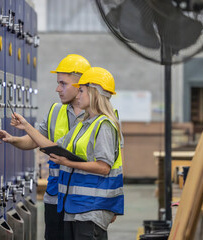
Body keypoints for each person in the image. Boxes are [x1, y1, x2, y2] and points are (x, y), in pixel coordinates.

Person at [9, 67, 124, 240]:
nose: (78, 96)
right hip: (75, 207)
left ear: (93, 93)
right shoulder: (84, 124)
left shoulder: (104, 125)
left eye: (82, 91)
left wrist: (68, 163)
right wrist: (25, 127)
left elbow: (104, 167)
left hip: (91, 208)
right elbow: (52, 145)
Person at [0, 54, 91, 240]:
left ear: (81, 85)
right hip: (55, 199)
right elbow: (35, 141)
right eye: (58, 83)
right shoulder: (55, 111)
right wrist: (13, 139)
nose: (57, 89)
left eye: (63, 83)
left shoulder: (97, 117)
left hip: (83, 201)